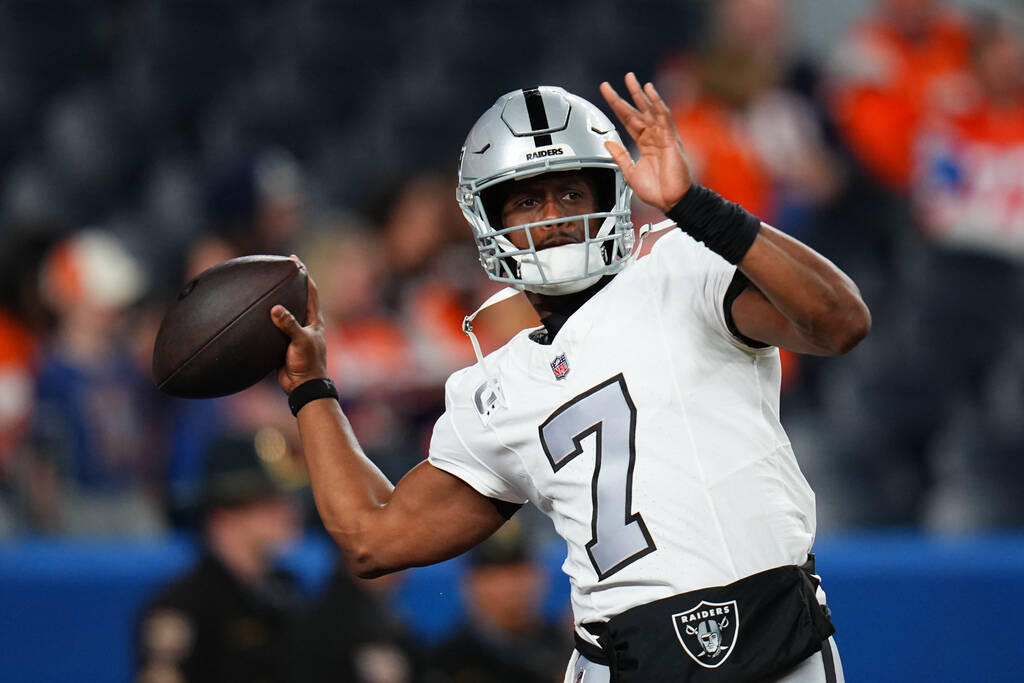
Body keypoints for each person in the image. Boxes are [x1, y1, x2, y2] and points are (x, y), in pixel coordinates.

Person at [270, 74, 870, 682]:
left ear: (610, 194)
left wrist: (696, 207)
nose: (553, 217)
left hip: (781, 643)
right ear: (488, 217)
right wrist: (312, 388)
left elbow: (838, 322)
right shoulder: (495, 389)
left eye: (570, 193)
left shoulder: (683, 263)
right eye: (528, 200)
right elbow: (374, 538)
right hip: (624, 660)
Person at [135, 432, 302, 683]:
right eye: (267, 503)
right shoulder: (184, 605)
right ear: (223, 518)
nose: (287, 513)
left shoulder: (285, 589)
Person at [425, 519, 569, 683]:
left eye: (518, 573)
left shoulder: (567, 647)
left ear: (541, 576)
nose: (511, 588)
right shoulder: (449, 660)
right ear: (470, 583)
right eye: (496, 576)